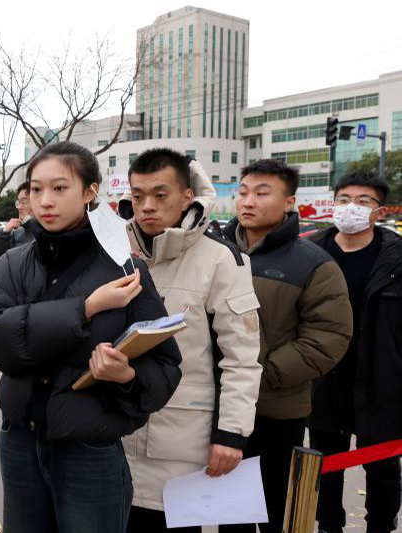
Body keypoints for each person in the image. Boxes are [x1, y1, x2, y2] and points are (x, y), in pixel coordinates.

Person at [0, 141, 182, 533]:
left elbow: (165, 365)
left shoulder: (124, 267)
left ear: (90, 191)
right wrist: (84, 308)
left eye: (59, 188)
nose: (45, 201)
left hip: (90, 451)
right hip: (19, 441)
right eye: (36, 189)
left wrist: (126, 376)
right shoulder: (13, 264)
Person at [117, 149, 262, 533]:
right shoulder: (115, 253)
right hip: (114, 437)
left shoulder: (221, 259)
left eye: (160, 195)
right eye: (137, 195)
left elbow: (242, 357)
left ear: (187, 197)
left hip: (182, 444)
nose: (147, 206)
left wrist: (231, 435)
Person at [219, 159, 352, 533]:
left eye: (263, 194)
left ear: (289, 201)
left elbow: (328, 337)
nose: (248, 201)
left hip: (277, 408)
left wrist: (267, 372)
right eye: (243, 193)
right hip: (221, 407)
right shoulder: (217, 255)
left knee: (278, 509)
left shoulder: (313, 264)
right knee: (230, 512)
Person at [307, 171, 402, 533]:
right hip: (324, 377)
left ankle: (381, 526)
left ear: (379, 211)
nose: (351, 208)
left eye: (364, 201)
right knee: (324, 464)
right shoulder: (312, 251)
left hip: (381, 379)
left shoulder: (396, 257)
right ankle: (328, 525)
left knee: (382, 465)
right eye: (344, 199)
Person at [0, 180, 37, 263]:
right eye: (19, 202)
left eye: (24, 202)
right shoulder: (17, 233)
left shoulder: (46, 233)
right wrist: (4, 233)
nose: (19, 207)